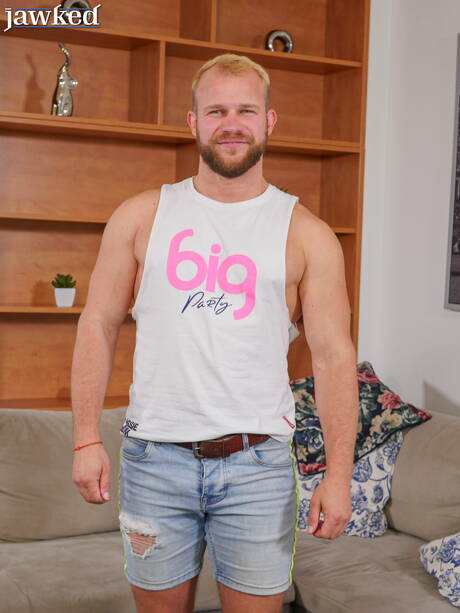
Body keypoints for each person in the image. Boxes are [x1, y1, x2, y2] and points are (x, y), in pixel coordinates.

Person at [71, 53, 359, 613]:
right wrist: (85, 439)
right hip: (154, 461)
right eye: (216, 111)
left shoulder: (308, 234)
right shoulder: (141, 216)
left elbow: (333, 358)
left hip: (258, 469)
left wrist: (339, 476)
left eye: (246, 110)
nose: (232, 124)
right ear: (193, 122)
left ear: (268, 121)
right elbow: (97, 324)